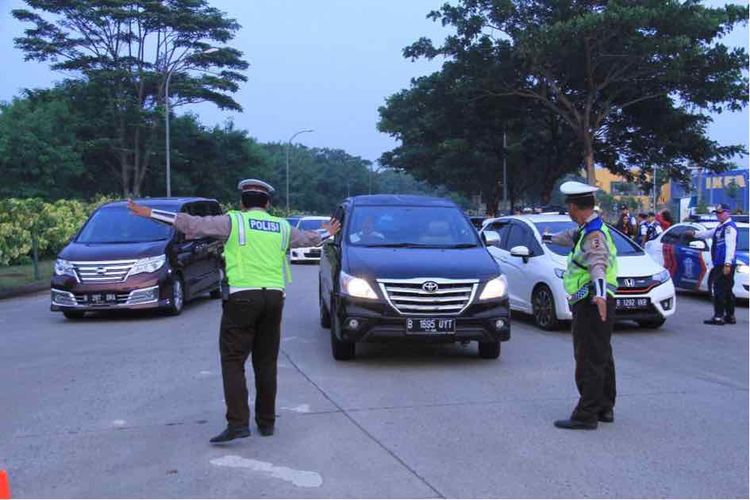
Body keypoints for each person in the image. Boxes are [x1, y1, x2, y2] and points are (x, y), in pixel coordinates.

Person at [128, 179, 340, 443]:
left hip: (242, 298)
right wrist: (328, 232)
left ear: (242, 203)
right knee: (266, 362)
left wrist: (149, 212)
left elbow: (191, 224)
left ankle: (238, 423)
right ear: (268, 204)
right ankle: (267, 422)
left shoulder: (233, 222)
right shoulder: (281, 226)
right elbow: (309, 239)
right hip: (274, 298)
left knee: (233, 360)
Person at [543, 181, 618, 430]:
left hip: (592, 301)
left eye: (569, 206)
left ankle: (586, 414)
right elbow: (570, 238)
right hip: (597, 300)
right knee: (602, 354)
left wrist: (598, 296)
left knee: (588, 357)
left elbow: (598, 264)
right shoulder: (589, 228)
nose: (568, 211)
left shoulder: (594, 235)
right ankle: (604, 406)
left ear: (574, 207)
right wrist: (547, 237)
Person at [687, 203, 738, 326]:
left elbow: (730, 247)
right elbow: (708, 234)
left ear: (727, 213)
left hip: (724, 264)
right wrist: (695, 234)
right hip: (720, 263)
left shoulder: (729, 228)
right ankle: (730, 316)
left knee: (719, 290)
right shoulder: (720, 227)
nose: (718, 215)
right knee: (726, 290)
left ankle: (718, 317)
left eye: (720, 213)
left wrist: (727, 264)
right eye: (717, 213)